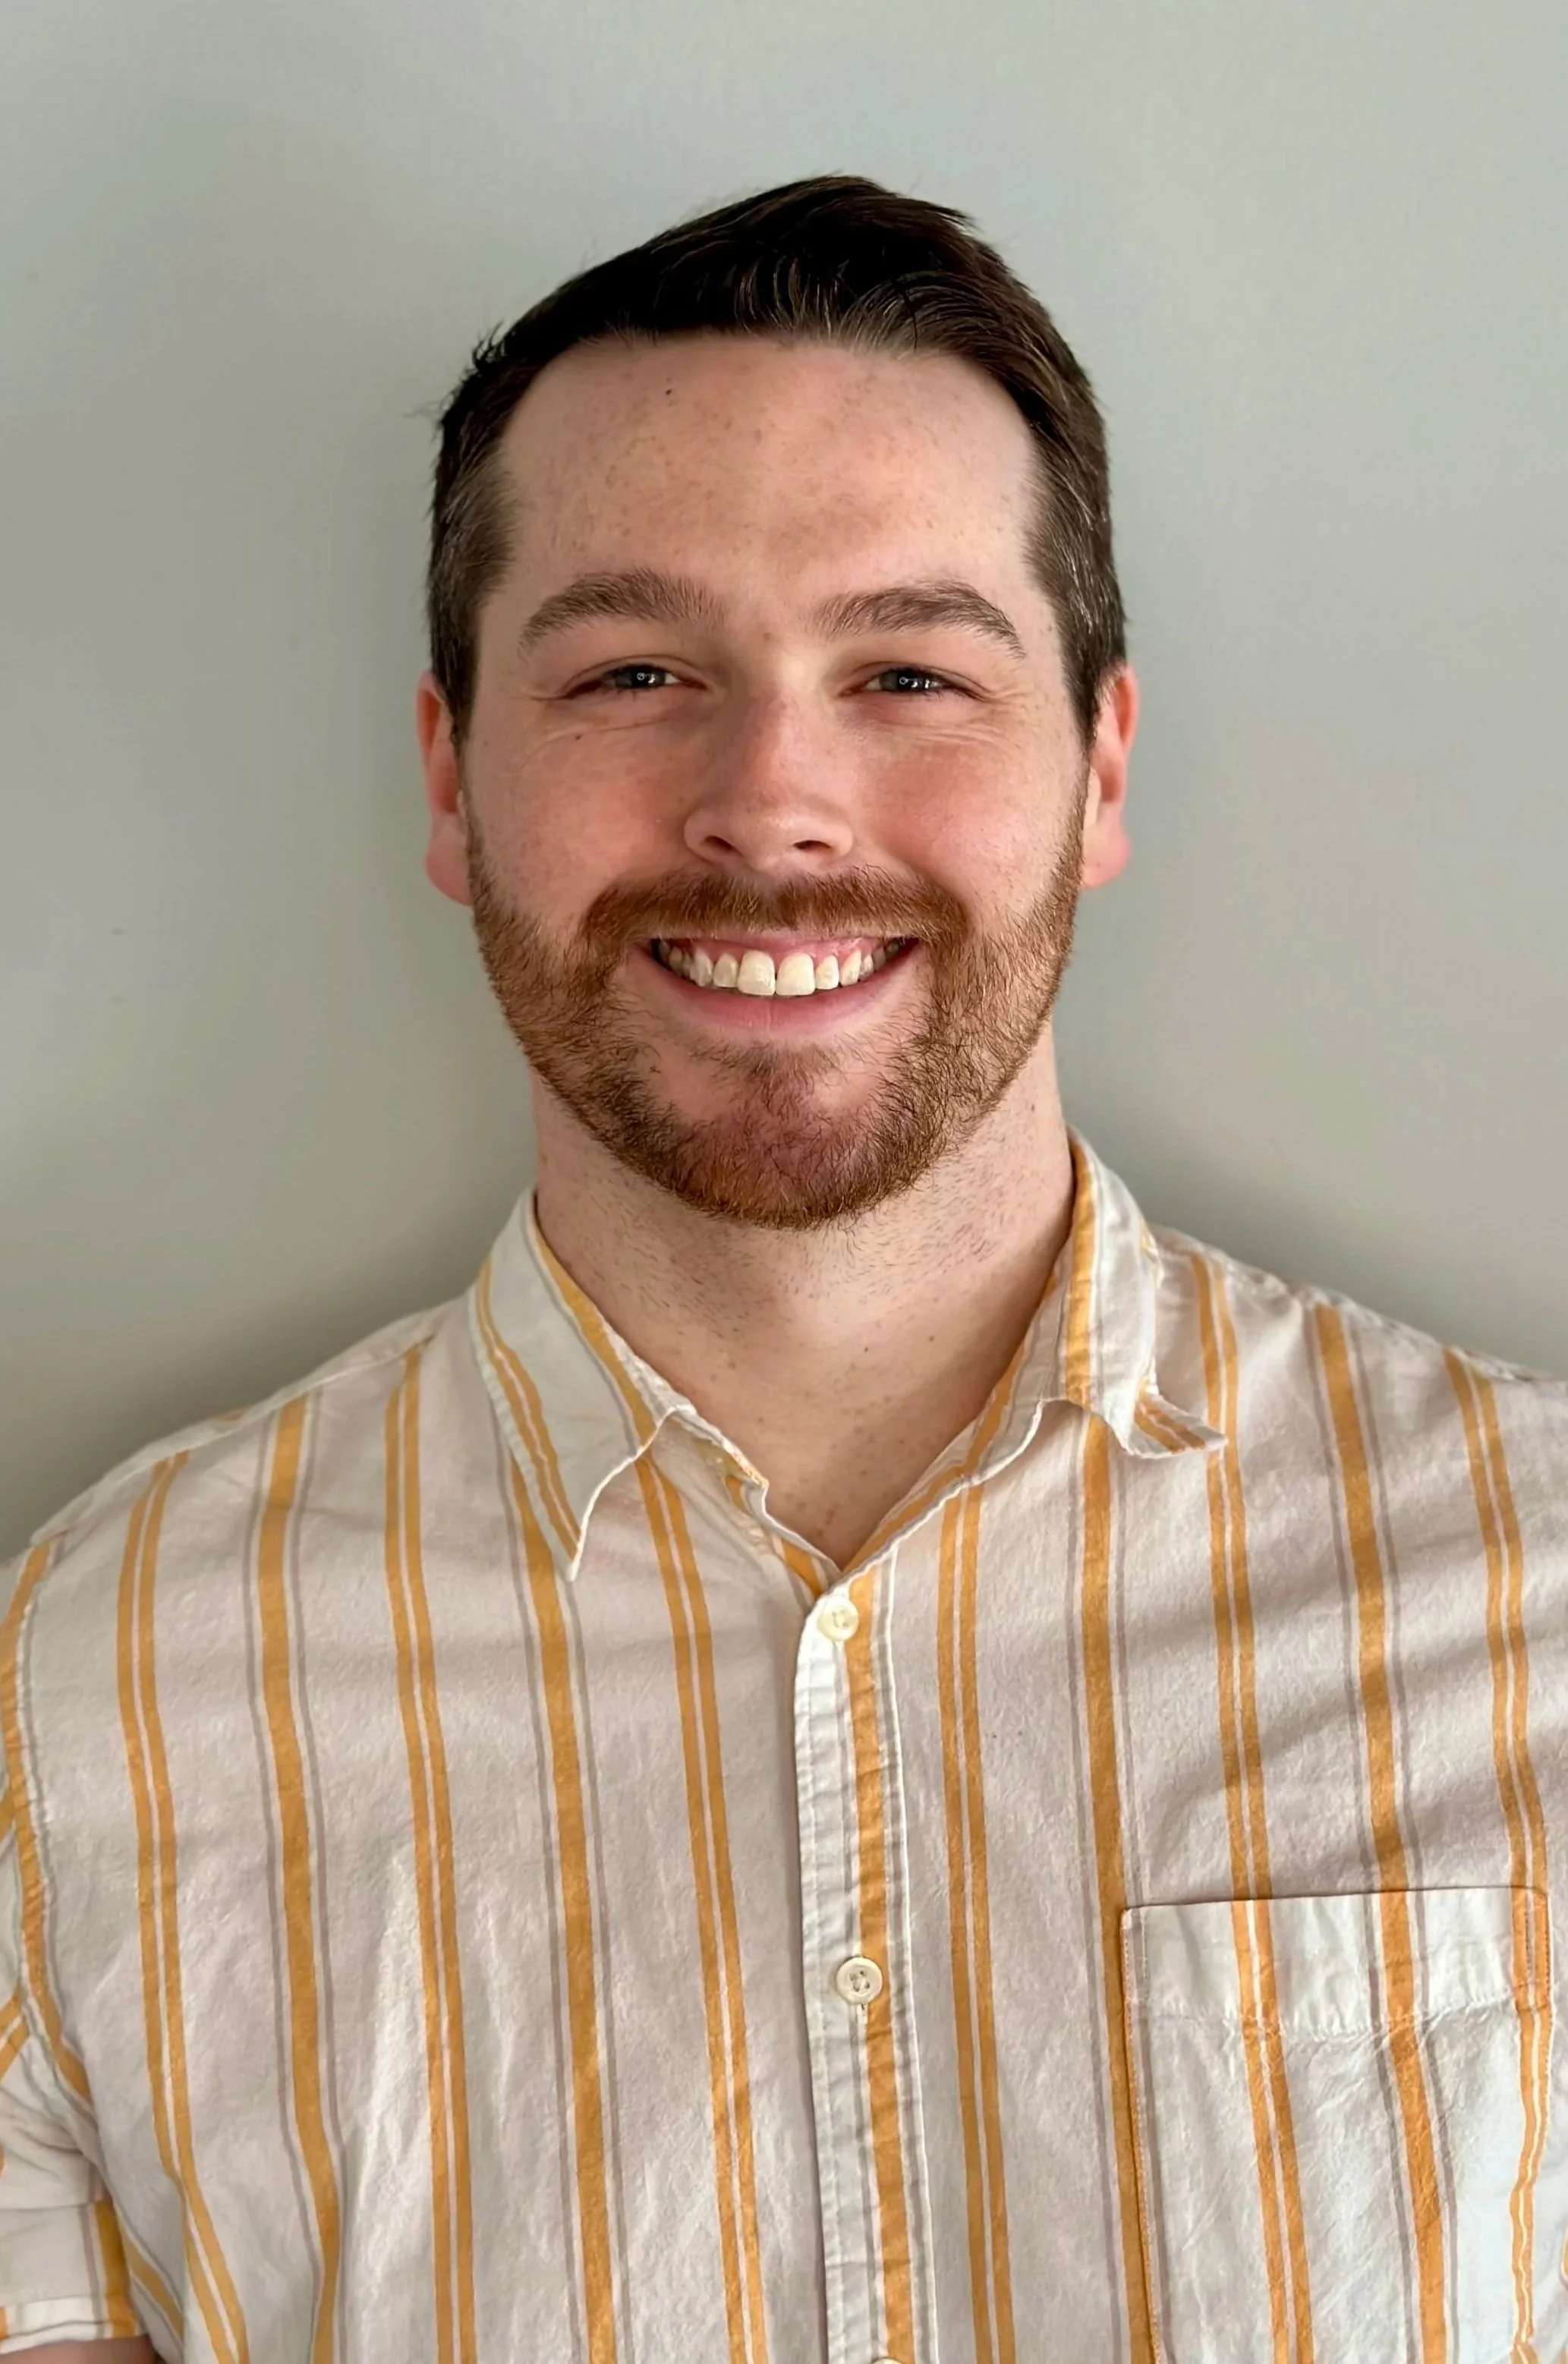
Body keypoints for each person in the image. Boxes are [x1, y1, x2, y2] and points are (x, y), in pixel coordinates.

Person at [1, 172, 1562, 2364]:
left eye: (909, 669)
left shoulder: (1543, 1583)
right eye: (636, 670)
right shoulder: (78, 1705)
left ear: (1099, 766)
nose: (774, 802)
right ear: (452, 781)